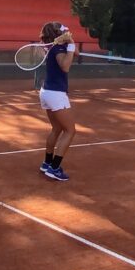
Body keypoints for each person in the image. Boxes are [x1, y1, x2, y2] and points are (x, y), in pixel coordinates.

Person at [38, 22, 78, 181]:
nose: (67, 32)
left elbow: (77, 54)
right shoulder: (57, 48)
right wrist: (68, 44)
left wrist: (71, 42)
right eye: (63, 31)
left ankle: (46, 163)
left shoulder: (53, 47)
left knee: (56, 128)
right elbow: (65, 66)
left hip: (47, 92)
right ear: (56, 34)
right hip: (56, 93)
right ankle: (54, 168)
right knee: (70, 131)